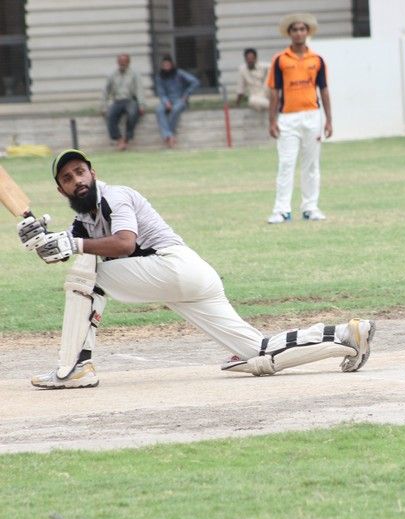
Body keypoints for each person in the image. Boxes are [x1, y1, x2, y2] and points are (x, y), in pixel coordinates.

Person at [16, 149, 376, 389]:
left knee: (88, 275)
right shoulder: (83, 221)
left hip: (174, 266)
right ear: (61, 190)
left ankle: (76, 367)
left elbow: (123, 243)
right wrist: (39, 240)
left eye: (80, 171)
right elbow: (61, 252)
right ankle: (347, 335)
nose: (77, 180)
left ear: (93, 173)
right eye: (68, 178)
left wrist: (70, 244)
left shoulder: (116, 195)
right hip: (188, 279)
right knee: (258, 353)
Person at [266, 12, 332, 224]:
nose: (298, 33)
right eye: (294, 30)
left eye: (302, 29)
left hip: (312, 116)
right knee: (286, 164)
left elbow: (324, 90)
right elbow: (274, 92)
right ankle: (281, 210)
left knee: (311, 164)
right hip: (288, 118)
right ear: (289, 33)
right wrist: (272, 120)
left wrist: (329, 120)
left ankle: (310, 207)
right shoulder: (280, 60)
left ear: (307, 32)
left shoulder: (317, 60)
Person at [101, 54, 146, 151]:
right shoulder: (112, 74)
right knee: (110, 115)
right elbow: (105, 91)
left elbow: (140, 89)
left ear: (128, 62)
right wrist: (103, 106)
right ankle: (119, 139)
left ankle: (127, 138)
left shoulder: (134, 74)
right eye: (120, 61)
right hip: (117, 101)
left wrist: (142, 104)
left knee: (133, 113)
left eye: (124, 61)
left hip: (130, 100)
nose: (122, 63)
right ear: (117, 62)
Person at [154, 55, 200, 148]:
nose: (166, 67)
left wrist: (186, 94)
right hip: (167, 100)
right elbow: (161, 92)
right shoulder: (159, 77)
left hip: (179, 99)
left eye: (168, 65)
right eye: (164, 65)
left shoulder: (179, 73)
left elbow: (195, 82)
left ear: (172, 65)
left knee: (175, 109)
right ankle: (169, 136)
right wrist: (166, 102)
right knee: (159, 110)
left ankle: (169, 135)